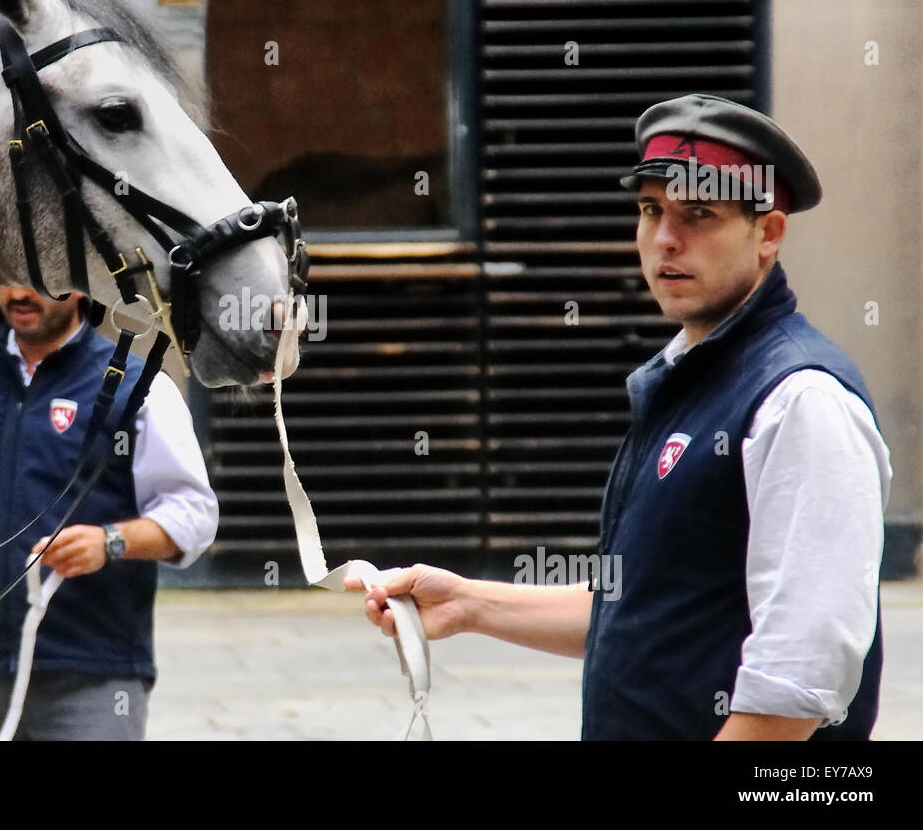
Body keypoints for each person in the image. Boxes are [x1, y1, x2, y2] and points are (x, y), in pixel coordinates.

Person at [348, 93, 890, 741]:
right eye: (650, 210)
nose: (665, 239)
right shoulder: (692, 377)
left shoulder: (800, 399)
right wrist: (468, 602)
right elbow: (644, 610)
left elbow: (799, 681)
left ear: (768, 233)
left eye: (698, 214)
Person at [0, 285, 218, 740]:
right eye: (9, 276)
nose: (20, 292)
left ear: (80, 288)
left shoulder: (137, 382)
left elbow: (194, 512)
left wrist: (110, 541)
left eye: (39, 280)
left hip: (94, 669)